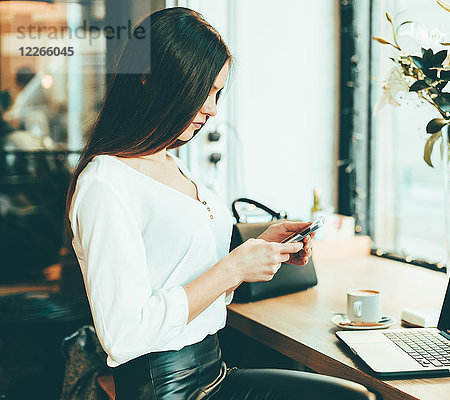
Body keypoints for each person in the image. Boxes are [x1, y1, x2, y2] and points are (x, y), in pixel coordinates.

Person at [65, 7, 376, 400]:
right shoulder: (106, 182)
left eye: (217, 93)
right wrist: (232, 268)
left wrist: (255, 250)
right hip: (164, 389)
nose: (212, 108)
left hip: (214, 373)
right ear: (149, 79)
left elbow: (182, 273)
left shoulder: (175, 167)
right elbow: (123, 335)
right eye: (203, 91)